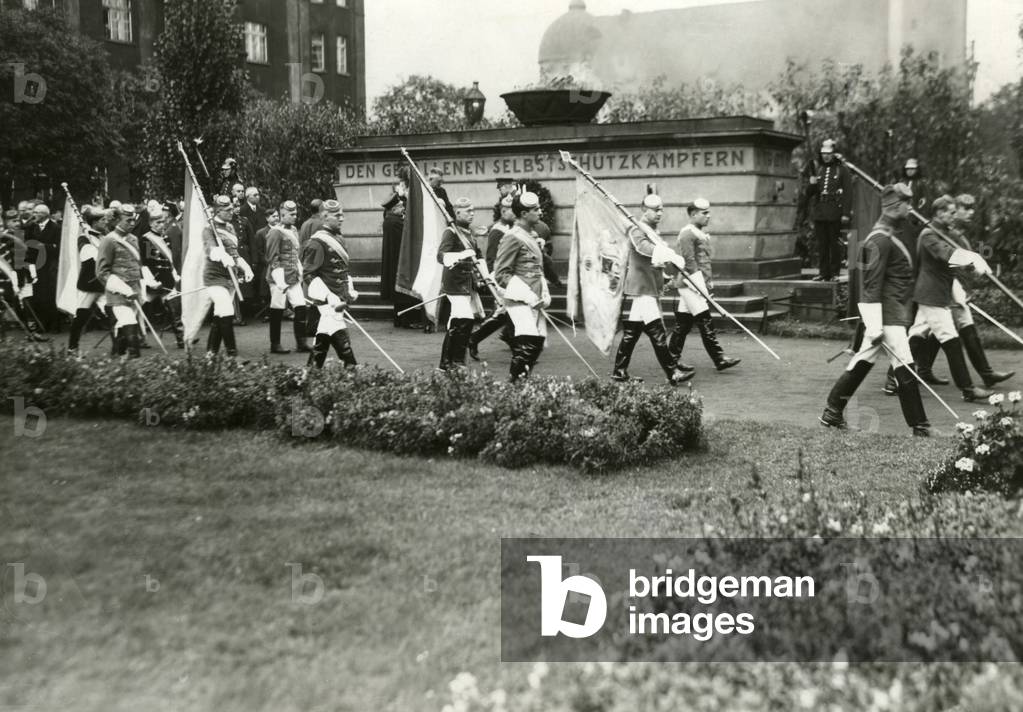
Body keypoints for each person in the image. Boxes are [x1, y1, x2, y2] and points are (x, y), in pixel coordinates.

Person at [820, 184, 930, 436]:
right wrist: (875, 325)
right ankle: (920, 427)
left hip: (890, 314)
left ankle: (832, 412)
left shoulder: (889, 236)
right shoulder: (879, 239)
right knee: (905, 365)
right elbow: (869, 285)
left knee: (863, 361)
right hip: (886, 316)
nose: (910, 208)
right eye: (907, 204)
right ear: (894, 207)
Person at [906, 195, 1007, 400]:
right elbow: (946, 255)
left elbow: (953, 258)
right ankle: (968, 389)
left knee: (916, 335)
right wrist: (971, 258)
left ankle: (897, 377)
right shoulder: (928, 234)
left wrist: (970, 263)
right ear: (939, 213)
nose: (954, 216)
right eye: (951, 213)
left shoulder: (945, 232)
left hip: (939, 292)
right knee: (950, 339)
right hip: (931, 294)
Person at [611, 193, 694, 386]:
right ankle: (672, 371)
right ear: (643, 209)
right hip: (642, 286)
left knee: (632, 332)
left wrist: (664, 274)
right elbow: (643, 249)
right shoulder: (636, 228)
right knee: (657, 331)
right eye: (655, 209)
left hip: (649, 284)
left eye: (661, 209)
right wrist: (669, 254)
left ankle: (619, 371)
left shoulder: (651, 230)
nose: (659, 213)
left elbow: (653, 259)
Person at [668, 198, 741, 371]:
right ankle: (719, 358)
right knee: (705, 320)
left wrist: (708, 284)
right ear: (693, 214)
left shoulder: (699, 233)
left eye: (708, 212)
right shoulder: (687, 233)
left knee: (683, 324)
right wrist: (701, 288)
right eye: (704, 213)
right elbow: (689, 262)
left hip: (697, 283)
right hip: (690, 283)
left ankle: (672, 358)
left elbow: (705, 262)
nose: (709, 216)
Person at [494, 192, 550, 381]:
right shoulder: (513, 236)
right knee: (528, 343)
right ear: (524, 214)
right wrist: (528, 295)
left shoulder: (530, 235)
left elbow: (537, 269)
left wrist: (542, 292)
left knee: (536, 342)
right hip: (519, 299)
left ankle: (520, 385)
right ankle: (514, 387)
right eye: (536, 210)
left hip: (534, 297)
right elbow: (501, 274)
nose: (540, 212)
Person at [302, 199, 358, 368]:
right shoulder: (317, 242)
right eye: (337, 215)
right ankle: (351, 368)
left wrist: (349, 289)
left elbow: (342, 269)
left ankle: (311, 371)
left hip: (339, 298)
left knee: (324, 335)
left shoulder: (339, 239)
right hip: (326, 301)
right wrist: (327, 295)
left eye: (342, 215)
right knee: (338, 330)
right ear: (325, 217)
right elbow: (308, 275)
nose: (341, 218)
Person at [436, 197, 484, 371]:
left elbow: (478, 256)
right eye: (468, 211)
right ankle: (457, 361)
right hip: (454, 283)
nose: (472, 214)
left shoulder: (469, 233)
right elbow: (441, 256)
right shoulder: (451, 232)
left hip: (467, 282)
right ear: (457, 213)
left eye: (473, 210)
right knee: (465, 319)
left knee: (456, 321)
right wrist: (463, 254)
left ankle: (447, 363)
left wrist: (486, 275)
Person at [203, 195, 254, 357]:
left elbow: (235, 254)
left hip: (230, 278)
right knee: (226, 309)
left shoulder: (230, 228)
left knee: (220, 314)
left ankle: (211, 353)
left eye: (231, 209)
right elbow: (210, 249)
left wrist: (246, 268)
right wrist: (220, 254)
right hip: (214, 277)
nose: (231, 212)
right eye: (227, 210)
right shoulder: (209, 229)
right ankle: (232, 355)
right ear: (218, 210)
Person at [469, 194, 516, 360]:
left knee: (508, 313)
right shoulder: (497, 231)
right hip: (501, 279)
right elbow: (491, 258)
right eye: (511, 211)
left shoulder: (510, 229)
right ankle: (475, 338)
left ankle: (512, 340)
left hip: (510, 277)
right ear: (503, 211)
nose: (515, 213)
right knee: (506, 312)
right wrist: (494, 281)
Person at [95, 204, 146, 357]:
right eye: (128, 220)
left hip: (135, 289)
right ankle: (134, 355)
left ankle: (118, 351)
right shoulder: (109, 240)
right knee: (129, 320)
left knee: (122, 323)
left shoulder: (134, 239)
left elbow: (138, 264)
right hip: (118, 292)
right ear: (117, 220)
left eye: (133, 220)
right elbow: (101, 272)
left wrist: (141, 286)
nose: (132, 224)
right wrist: (123, 288)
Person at [264, 200, 310, 354]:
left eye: (296, 213)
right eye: (291, 214)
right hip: (279, 278)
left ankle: (301, 342)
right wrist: (279, 279)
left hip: (293, 276)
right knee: (277, 309)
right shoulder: (275, 232)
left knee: (301, 307)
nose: (295, 216)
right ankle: (275, 344)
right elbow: (272, 257)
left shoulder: (294, 230)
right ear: (282, 215)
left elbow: (295, 253)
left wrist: (299, 269)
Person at [805, 139, 851, 281]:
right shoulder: (818, 169)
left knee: (834, 244)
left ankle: (835, 272)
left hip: (834, 211)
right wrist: (812, 183)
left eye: (829, 153)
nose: (826, 156)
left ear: (834, 154)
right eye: (824, 153)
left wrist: (845, 213)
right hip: (820, 211)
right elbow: (809, 193)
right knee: (822, 244)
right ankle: (823, 272)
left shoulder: (842, 170)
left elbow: (848, 193)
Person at [140, 205, 184, 348]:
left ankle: (181, 338)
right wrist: (150, 281)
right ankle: (139, 338)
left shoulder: (166, 239)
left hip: (166, 280)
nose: (161, 225)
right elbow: (145, 263)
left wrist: (174, 274)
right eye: (157, 223)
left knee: (174, 309)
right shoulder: (146, 239)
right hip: (152, 281)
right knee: (139, 309)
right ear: (151, 224)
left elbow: (169, 261)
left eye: (162, 222)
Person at [0, 208, 48, 341]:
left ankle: (31, 333)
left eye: (17, 220)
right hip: (8, 277)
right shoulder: (4, 238)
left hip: (20, 275)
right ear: (6, 222)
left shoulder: (19, 235)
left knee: (25, 305)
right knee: (12, 306)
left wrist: (27, 274)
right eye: (12, 221)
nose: (16, 223)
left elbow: (23, 259)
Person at [66, 206, 109, 353]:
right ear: (94, 222)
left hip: (104, 282)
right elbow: (87, 256)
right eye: (102, 220)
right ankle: (72, 347)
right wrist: (95, 248)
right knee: (81, 316)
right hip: (89, 283)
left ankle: (119, 349)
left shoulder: (105, 236)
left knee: (114, 313)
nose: (106, 222)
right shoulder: (84, 238)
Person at [26, 203, 60, 331]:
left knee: (51, 295)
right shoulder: (30, 228)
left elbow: (58, 247)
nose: (34, 215)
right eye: (34, 212)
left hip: (50, 266)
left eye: (36, 212)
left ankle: (55, 324)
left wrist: (42, 246)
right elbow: (26, 245)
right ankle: (42, 324)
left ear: (44, 214)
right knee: (38, 295)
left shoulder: (56, 228)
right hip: (36, 266)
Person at [251, 207, 278, 321]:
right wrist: (269, 262)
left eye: (277, 216)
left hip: (281, 264)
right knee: (266, 290)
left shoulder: (281, 230)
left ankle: (279, 311)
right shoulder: (261, 233)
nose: (276, 218)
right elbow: (259, 251)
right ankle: (267, 313)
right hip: (267, 265)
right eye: (273, 216)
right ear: (267, 218)